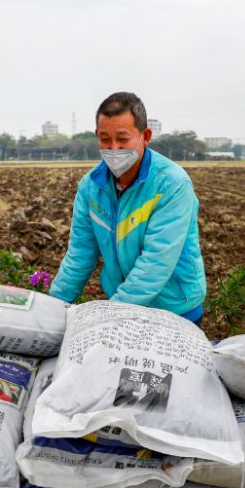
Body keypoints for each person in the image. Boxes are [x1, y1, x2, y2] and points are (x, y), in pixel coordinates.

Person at [49, 92, 206, 324]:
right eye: (105, 139)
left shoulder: (172, 185)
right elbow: (80, 254)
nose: (113, 149)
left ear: (145, 136)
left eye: (122, 139)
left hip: (174, 312)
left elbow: (156, 262)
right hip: (123, 308)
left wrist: (108, 316)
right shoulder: (91, 187)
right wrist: (52, 307)